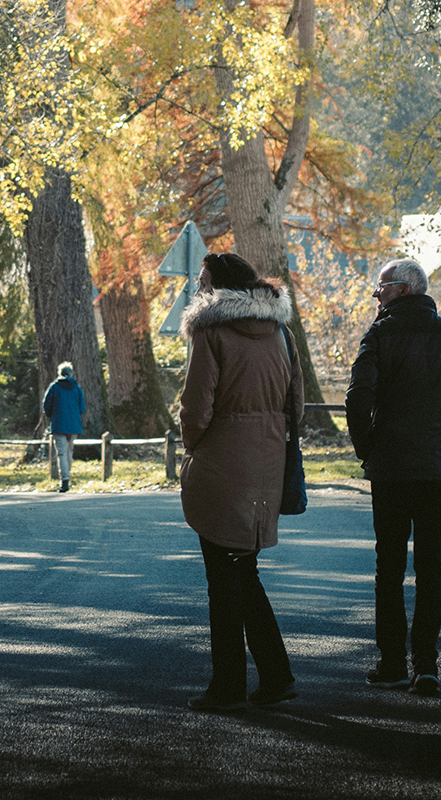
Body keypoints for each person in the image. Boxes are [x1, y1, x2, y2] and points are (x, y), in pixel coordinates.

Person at [345, 258, 441, 697]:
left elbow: (358, 399)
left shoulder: (378, 336)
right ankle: (426, 666)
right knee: (431, 567)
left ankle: (392, 663)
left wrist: (368, 448)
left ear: (405, 289)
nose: (377, 295)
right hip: (438, 472)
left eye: (382, 288)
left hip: (390, 472)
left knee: (388, 568)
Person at [179, 251, 305, 712]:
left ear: (219, 286)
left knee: (223, 580)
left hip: (220, 464)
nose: (198, 288)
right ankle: (276, 676)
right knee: (243, 572)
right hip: (267, 463)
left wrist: (196, 448)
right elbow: (298, 405)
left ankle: (227, 686)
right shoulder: (281, 333)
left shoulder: (210, 333)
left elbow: (196, 409)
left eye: (203, 280)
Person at [42, 361, 85, 492]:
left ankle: (64, 481)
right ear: (71, 373)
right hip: (74, 426)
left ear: (59, 373)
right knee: (69, 452)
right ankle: (67, 477)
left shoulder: (54, 386)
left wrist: (52, 415)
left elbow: (46, 406)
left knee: (61, 453)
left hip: (59, 424)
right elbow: (82, 408)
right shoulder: (77, 388)